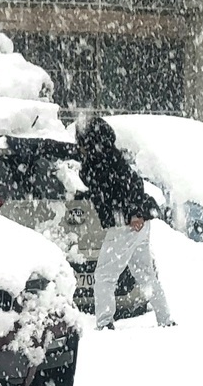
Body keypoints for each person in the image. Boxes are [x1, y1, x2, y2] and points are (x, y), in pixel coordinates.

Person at [73, 116, 175, 330]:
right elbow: (129, 182)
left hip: (126, 223)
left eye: (80, 141)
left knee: (104, 275)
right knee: (144, 273)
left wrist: (133, 213)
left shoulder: (100, 162)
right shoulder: (110, 157)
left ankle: (104, 323)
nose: (78, 146)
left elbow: (130, 184)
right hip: (137, 222)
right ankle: (165, 319)